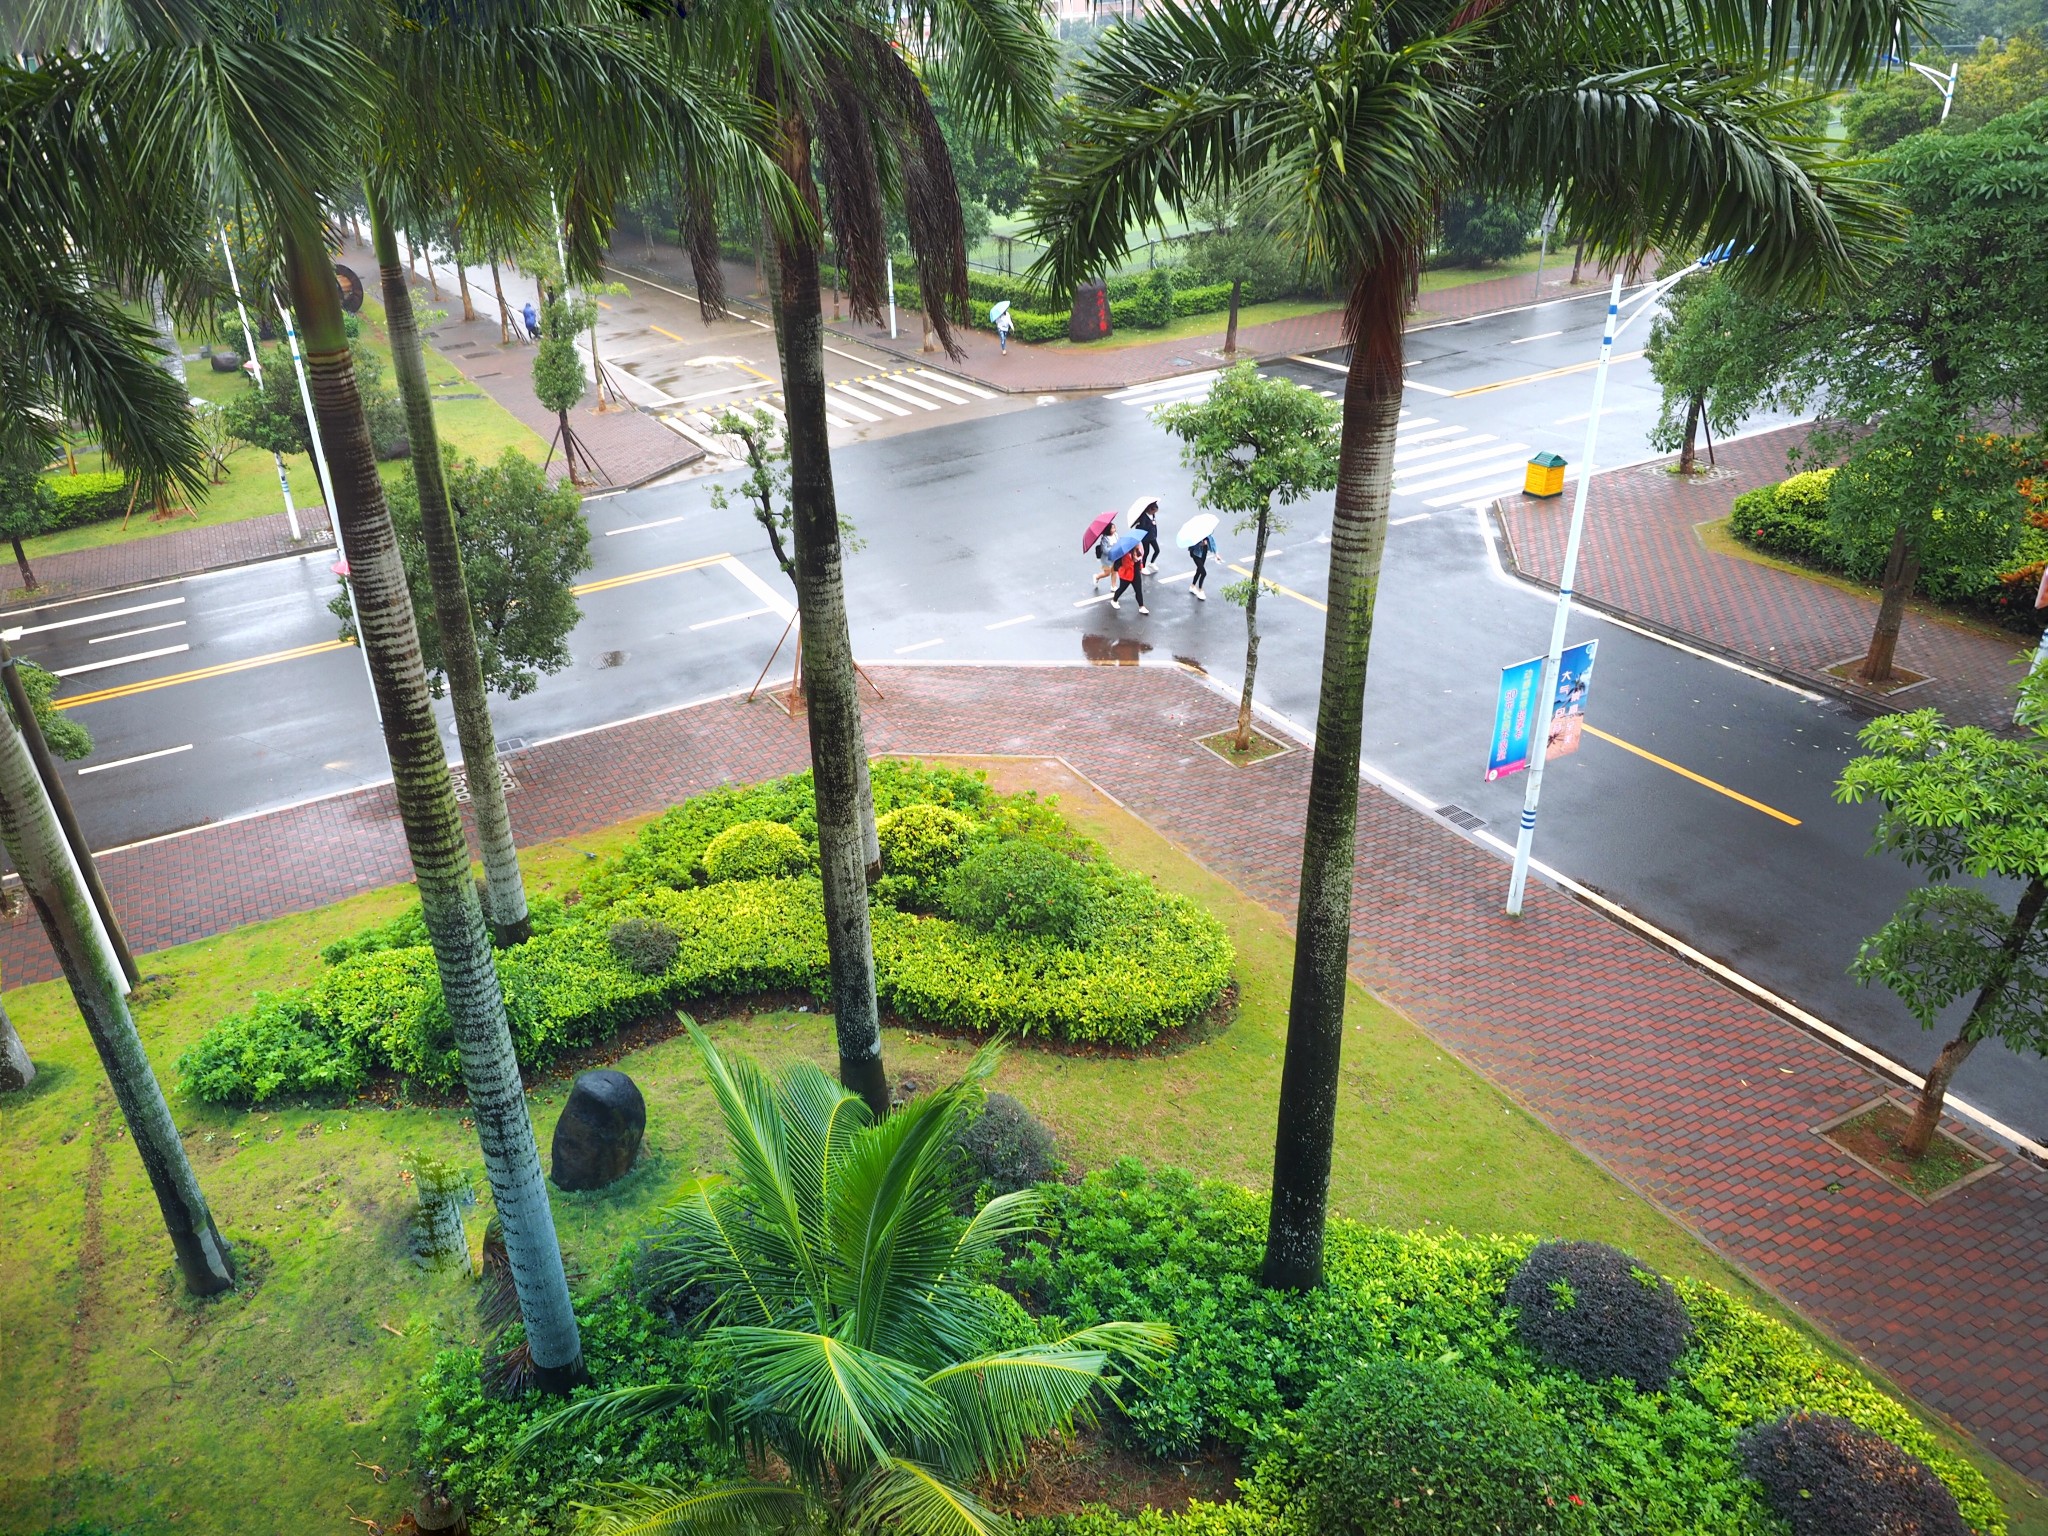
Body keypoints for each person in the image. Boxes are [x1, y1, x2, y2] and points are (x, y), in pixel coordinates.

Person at [1109, 546, 1147, 613]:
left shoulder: (1139, 549)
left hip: (1136, 573)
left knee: (1138, 590)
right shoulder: (1125, 552)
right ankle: (1114, 600)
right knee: (1122, 589)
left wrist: (1141, 567)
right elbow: (1119, 562)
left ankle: (1141, 606)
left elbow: (1140, 561)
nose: (1138, 544)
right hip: (1126, 574)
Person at [1188, 530, 1217, 600]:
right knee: (1203, 573)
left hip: (1204, 554)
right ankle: (1200, 590)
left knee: (1199, 571)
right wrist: (1201, 544)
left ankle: (1192, 586)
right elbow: (1192, 546)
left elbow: (1212, 543)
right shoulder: (1196, 535)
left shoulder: (1208, 534)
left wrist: (1216, 554)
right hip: (1196, 555)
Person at [1134, 500, 1161, 571]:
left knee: (1157, 550)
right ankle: (1142, 567)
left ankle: (1151, 563)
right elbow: (1142, 527)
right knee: (1146, 552)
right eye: (1154, 511)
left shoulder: (1152, 514)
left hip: (1152, 536)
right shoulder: (1143, 517)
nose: (1154, 513)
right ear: (1150, 509)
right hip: (1146, 537)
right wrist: (1151, 524)